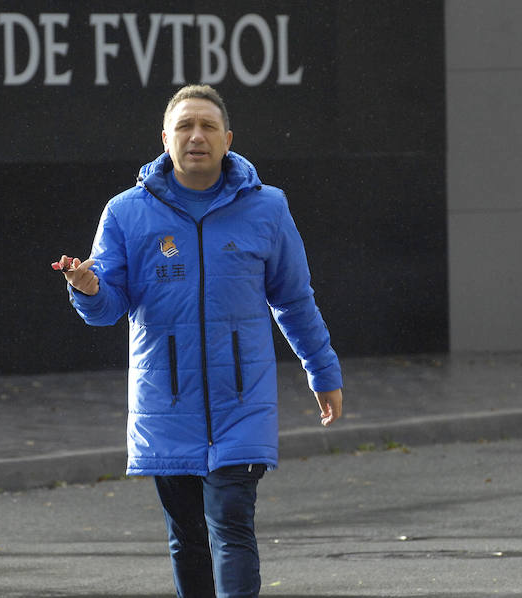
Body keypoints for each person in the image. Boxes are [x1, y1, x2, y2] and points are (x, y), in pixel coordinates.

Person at [58, 84, 343, 597]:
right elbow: (108, 310)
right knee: (186, 537)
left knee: (232, 523)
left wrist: (321, 371)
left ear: (228, 139)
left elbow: (294, 301)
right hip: (165, 404)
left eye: (208, 126)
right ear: (164, 138)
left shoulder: (268, 209)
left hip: (243, 401)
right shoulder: (126, 213)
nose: (196, 137)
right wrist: (89, 287)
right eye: (185, 126)